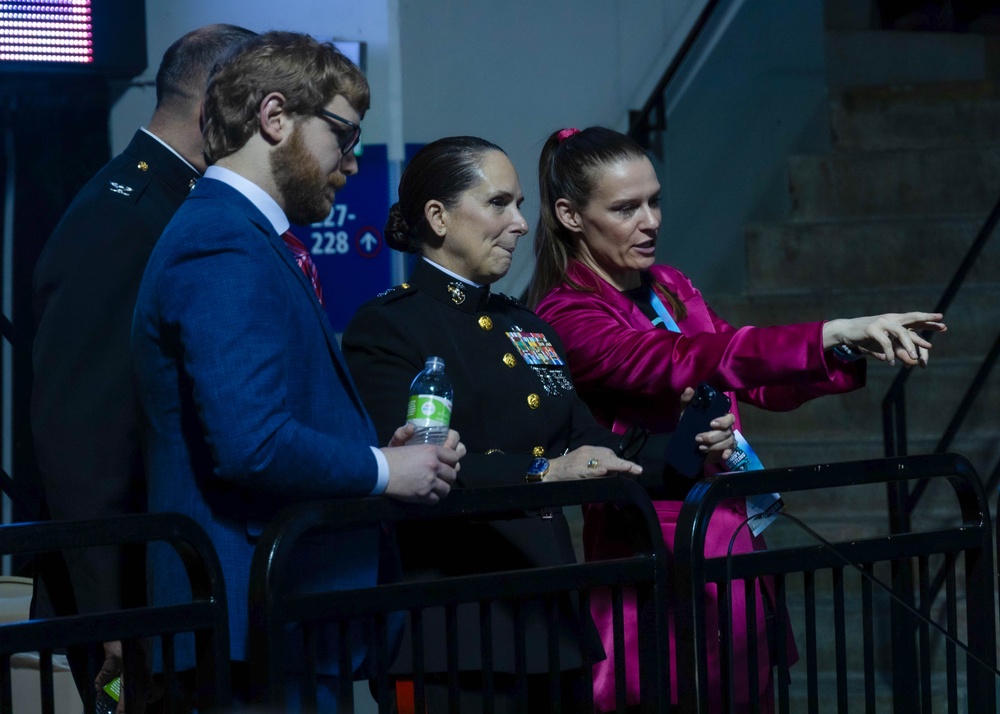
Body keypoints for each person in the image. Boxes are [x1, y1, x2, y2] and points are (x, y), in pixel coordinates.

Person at [528, 125, 948, 713]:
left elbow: (744, 372)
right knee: (667, 694)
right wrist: (827, 332)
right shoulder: (567, 310)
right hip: (653, 540)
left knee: (743, 694)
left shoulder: (668, 286)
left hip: (727, 525)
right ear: (571, 216)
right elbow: (679, 361)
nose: (650, 221)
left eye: (654, 201)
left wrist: (844, 348)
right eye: (626, 208)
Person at [341, 136, 735, 713]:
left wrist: (691, 449)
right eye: (499, 204)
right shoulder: (389, 327)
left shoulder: (525, 325)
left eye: (520, 204)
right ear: (438, 217)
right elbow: (409, 468)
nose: (521, 224)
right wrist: (542, 473)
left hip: (550, 626)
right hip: (454, 632)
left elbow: (593, 446)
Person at [130, 32, 464, 710]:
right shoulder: (222, 240)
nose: (353, 159)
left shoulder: (244, 237)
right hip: (248, 627)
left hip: (281, 621)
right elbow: (250, 442)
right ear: (274, 117)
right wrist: (383, 472)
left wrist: (371, 454)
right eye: (343, 134)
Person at [30, 24, 255, 710]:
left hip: (176, 581)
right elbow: (83, 432)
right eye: (262, 106)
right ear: (220, 103)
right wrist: (115, 616)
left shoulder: (176, 203)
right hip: (138, 594)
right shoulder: (124, 216)